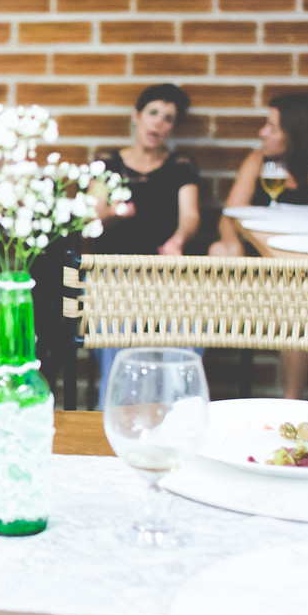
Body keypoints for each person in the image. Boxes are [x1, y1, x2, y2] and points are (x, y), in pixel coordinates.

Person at [209, 93, 308, 400]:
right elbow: (230, 217)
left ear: (296, 132)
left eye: (271, 126)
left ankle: (291, 400)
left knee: (302, 299)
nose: (262, 132)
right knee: (220, 251)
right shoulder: (258, 162)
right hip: (261, 271)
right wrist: (232, 246)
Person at [89, 84, 201, 405]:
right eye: (153, 113)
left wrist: (178, 241)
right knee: (119, 324)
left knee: (188, 322)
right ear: (136, 116)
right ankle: (116, 411)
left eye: (168, 118)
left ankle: (175, 410)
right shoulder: (109, 160)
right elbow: (92, 216)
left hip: (165, 269)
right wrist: (116, 213)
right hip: (113, 268)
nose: (158, 123)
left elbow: (190, 215)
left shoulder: (181, 165)